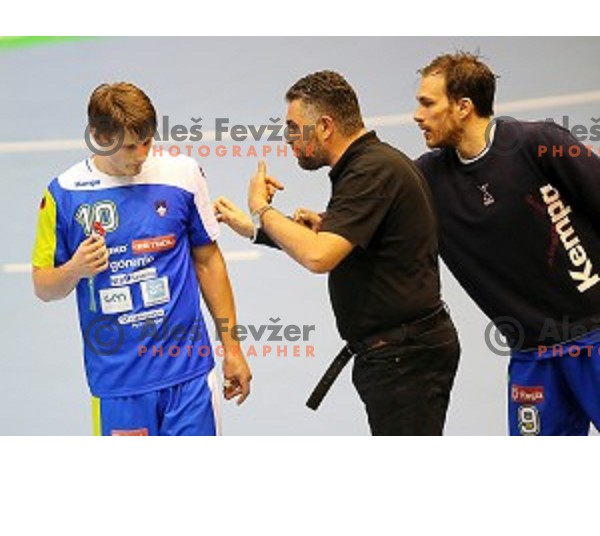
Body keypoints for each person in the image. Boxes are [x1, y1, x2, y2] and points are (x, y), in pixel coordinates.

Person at [214, 70, 460, 436]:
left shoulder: (370, 171)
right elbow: (333, 240)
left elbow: (318, 256)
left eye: (294, 128)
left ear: (325, 126)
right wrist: (254, 228)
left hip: (404, 359)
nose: (288, 140)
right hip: (399, 353)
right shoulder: (370, 165)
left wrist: (261, 210)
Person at [32, 82, 251, 436]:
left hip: (190, 377)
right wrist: (75, 269)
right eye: (131, 146)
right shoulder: (64, 195)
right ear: (100, 138)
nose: (142, 154)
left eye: (148, 141)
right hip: (119, 386)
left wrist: (233, 348)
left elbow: (209, 262)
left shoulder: (182, 174)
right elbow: (43, 286)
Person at [412, 52, 600, 435]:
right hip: (532, 355)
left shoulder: (540, 143)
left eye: (428, 103)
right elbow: (357, 223)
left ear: (463, 106)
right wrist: (263, 225)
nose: (417, 115)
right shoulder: (425, 178)